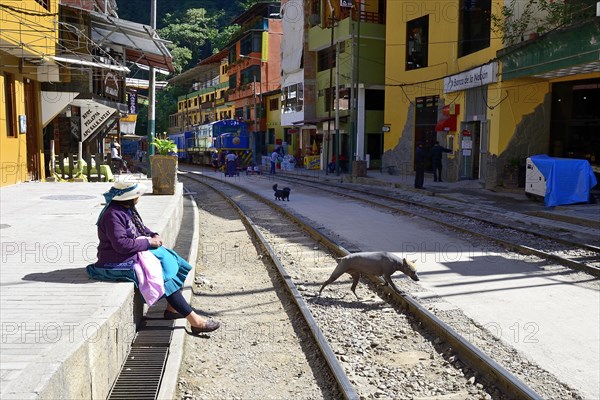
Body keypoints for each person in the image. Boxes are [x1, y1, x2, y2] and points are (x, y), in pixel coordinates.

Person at [86, 181, 220, 334]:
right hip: (115, 260)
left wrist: (152, 234)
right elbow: (121, 245)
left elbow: (140, 228)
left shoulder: (126, 209)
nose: (139, 198)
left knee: (173, 260)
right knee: (162, 275)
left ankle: (172, 308)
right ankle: (195, 321)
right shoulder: (112, 215)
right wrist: (149, 242)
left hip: (129, 253)